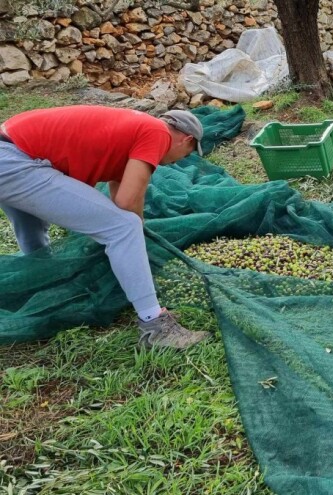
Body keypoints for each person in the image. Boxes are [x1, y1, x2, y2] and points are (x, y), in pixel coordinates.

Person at [0, 105, 210, 349]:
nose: (177, 162)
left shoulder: (134, 129)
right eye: (185, 155)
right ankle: (155, 325)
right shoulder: (158, 133)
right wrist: (135, 230)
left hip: (11, 149)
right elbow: (127, 203)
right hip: (16, 160)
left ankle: (42, 290)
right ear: (186, 139)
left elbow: (119, 192)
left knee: (33, 231)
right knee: (123, 228)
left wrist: (135, 228)